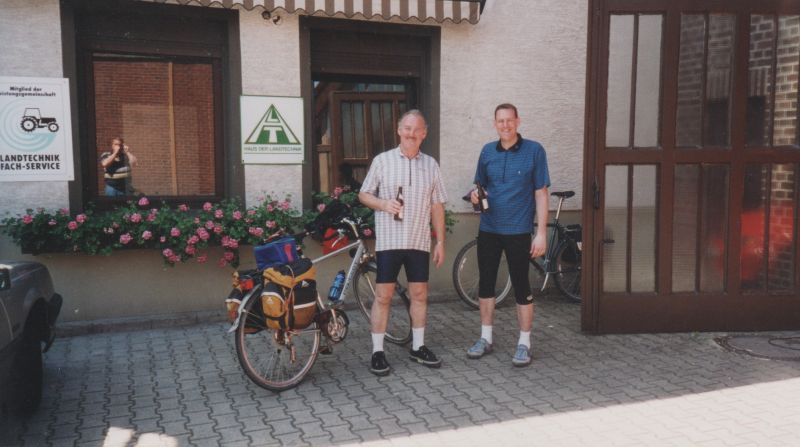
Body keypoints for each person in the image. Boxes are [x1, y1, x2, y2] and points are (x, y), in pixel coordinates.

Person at [358, 109, 448, 376]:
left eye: (416, 129)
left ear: (424, 134)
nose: (411, 133)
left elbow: (437, 205)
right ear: (399, 131)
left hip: (419, 241)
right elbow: (363, 194)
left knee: (420, 295)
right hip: (389, 241)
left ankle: (418, 347)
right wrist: (384, 203)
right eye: (406, 128)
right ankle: (377, 352)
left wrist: (440, 241)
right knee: (383, 297)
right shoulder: (383, 161)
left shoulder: (431, 164)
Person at [466, 103, 550, 367]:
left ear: (518, 121)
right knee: (486, 284)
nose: (505, 125)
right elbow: (479, 186)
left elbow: (541, 193)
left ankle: (524, 343)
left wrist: (541, 233)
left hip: (519, 230)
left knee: (522, 286)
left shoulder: (534, 151)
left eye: (509, 120)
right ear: (495, 124)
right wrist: (475, 195)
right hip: (489, 228)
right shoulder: (487, 151)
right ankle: (485, 338)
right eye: (500, 121)